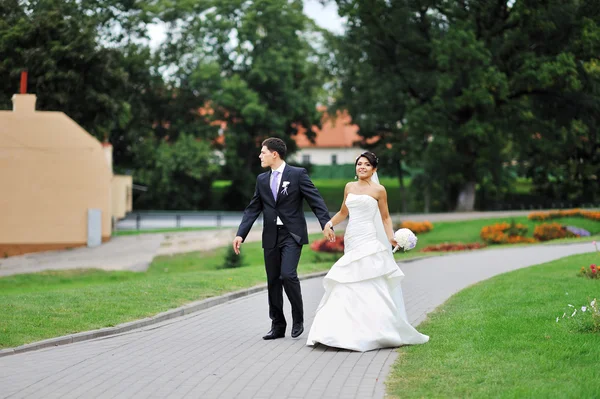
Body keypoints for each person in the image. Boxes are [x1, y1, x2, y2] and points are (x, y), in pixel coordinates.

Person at [306, 151, 429, 352]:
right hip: (352, 238)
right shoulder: (349, 187)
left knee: (369, 279)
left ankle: (375, 331)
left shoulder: (379, 191)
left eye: (366, 165)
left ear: (374, 169)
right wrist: (329, 223)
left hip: (369, 239)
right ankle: (337, 331)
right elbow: (343, 212)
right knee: (348, 279)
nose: (362, 167)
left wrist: (391, 236)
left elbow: (386, 218)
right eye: (359, 164)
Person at [233, 137, 334, 340]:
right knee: (273, 281)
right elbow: (253, 208)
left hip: (292, 234)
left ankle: (298, 319)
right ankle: (278, 326)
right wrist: (240, 234)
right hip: (271, 235)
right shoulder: (262, 180)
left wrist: (325, 222)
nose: (260, 156)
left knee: (288, 275)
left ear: (274, 154)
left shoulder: (297, 174)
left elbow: (315, 199)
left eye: (263, 152)